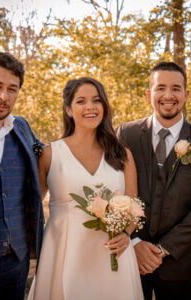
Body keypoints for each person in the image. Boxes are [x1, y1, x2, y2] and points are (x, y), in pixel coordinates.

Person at [28, 77, 144, 300]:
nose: (90, 107)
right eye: (81, 101)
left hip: (112, 254)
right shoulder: (49, 153)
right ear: (69, 110)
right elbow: (31, 207)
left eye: (96, 100)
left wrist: (126, 235)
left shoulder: (122, 154)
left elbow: (133, 205)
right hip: (63, 251)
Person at [117, 61, 191, 300]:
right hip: (129, 256)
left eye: (175, 88)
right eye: (160, 87)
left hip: (179, 263)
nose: (168, 95)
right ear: (149, 94)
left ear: (186, 94)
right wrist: (134, 243)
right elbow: (114, 191)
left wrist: (161, 250)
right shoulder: (125, 134)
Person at [0, 51, 44, 300]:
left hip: (16, 259)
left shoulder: (21, 127)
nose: (4, 96)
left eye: (12, 89)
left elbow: (52, 161)